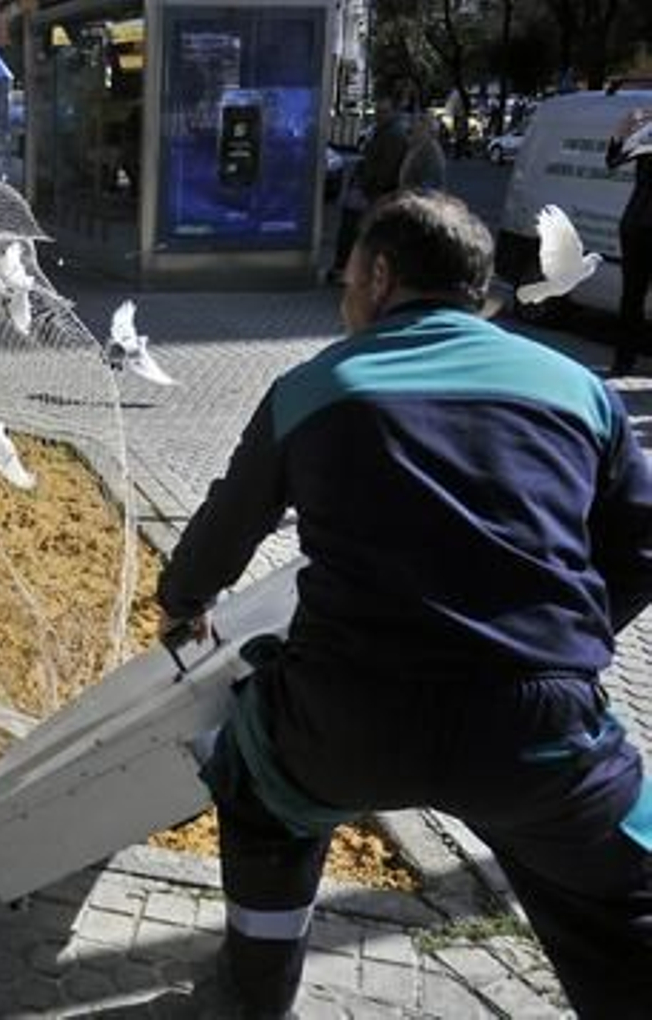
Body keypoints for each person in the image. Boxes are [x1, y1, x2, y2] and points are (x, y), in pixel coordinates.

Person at [158, 191, 652, 1019]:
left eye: (348, 279)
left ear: (380, 277)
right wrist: (564, 639)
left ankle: (254, 993)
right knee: (621, 892)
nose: (346, 299)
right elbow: (641, 545)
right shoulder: (580, 390)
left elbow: (225, 527)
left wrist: (183, 601)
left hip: (341, 721)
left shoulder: (311, 388)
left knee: (254, 785)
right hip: (537, 738)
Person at [328, 93, 411, 283]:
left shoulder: (393, 134)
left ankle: (348, 270)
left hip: (372, 192)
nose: (378, 115)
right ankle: (347, 269)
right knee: (355, 230)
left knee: (356, 231)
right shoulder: (384, 131)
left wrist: (369, 188)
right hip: (369, 190)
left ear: (393, 112)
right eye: (377, 111)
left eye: (383, 111)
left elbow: (386, 168)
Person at [607, 106, 652, 376]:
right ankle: (623, 361)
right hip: (639, 226)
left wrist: (623, 130)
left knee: (632, 298)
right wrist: (623, 129)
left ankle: (623, 362)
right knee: (632, 298)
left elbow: (613, 159)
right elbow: (614, 158)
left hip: (636, 224)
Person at [397, 111, 446, 192]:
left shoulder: (430, 150)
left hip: (424, 200)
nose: (411, 132)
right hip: (411, 197)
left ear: (426, 130)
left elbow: (430, 185)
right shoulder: (414, 147)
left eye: (416, 129)